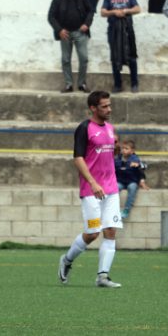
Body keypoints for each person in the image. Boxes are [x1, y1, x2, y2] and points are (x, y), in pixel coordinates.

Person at [58, 91, 123, 288]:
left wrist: (117, 149)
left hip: (110, 188)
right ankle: (67, 260)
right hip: (91, 190)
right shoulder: (84, 128)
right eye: (104, 106)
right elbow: (78, 158)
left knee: (110, 230)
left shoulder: (111, 129)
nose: (109, 109)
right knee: (93, 232)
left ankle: (102, 276)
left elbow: (108, 155)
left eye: (109, 105)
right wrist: (93, 182)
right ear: (93, 108)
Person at [48, 0, 94, 93]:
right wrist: (59, 30)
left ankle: (81, 83)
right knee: (66, 60)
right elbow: (51, 17)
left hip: (80, 31)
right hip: (65, 33)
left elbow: (90, 11)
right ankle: (69, 85)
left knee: (84, 58)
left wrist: (86, 24)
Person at [101, 0, 141, 93]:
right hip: (113, 31)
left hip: (128, 31)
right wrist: (114, 12)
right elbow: (103, 12)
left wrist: (125, 10)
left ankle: (134, 84)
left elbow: (138, 9)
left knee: (132, 56)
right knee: (115, 57)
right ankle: (118, 85)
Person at [115, 139, 149, 219]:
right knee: (115, 187)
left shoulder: (135, 159)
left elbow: (144, 167)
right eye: (123, 148)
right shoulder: (118, 159)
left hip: (131, 181)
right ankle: (115, 209)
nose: (124, 150)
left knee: (132, 187)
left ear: (132, 151)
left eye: (126, 148)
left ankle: (126, 210)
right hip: (121, 181)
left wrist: (138, 165)